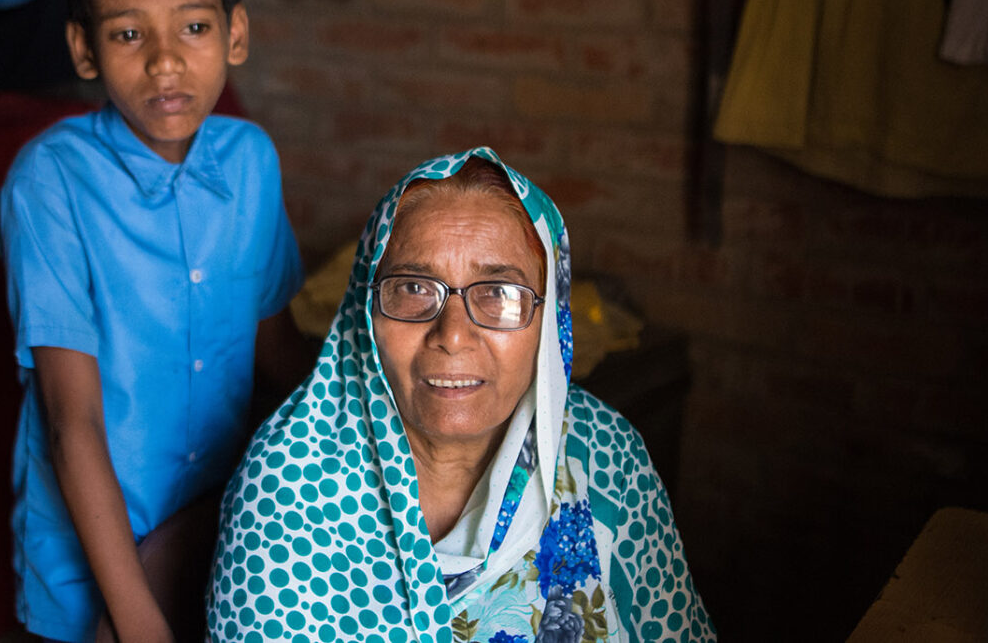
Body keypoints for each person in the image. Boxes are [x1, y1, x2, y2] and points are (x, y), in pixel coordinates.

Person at [208, 147, 715, 642]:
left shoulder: (605, 455)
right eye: (413, 288)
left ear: (549, 320)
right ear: (367, 313)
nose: (452, 335)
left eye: (500, 294)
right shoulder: (286, 492)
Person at [0, 0, 308, 643]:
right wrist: (136, 620)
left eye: (193, 26)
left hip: (221, 531)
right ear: (83, 49)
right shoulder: (49, 182)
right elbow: (73, 422)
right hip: (93, 556)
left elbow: (279, 353)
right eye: (128, 33)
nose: (166, 60)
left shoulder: (251, 162)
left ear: (235, 35)